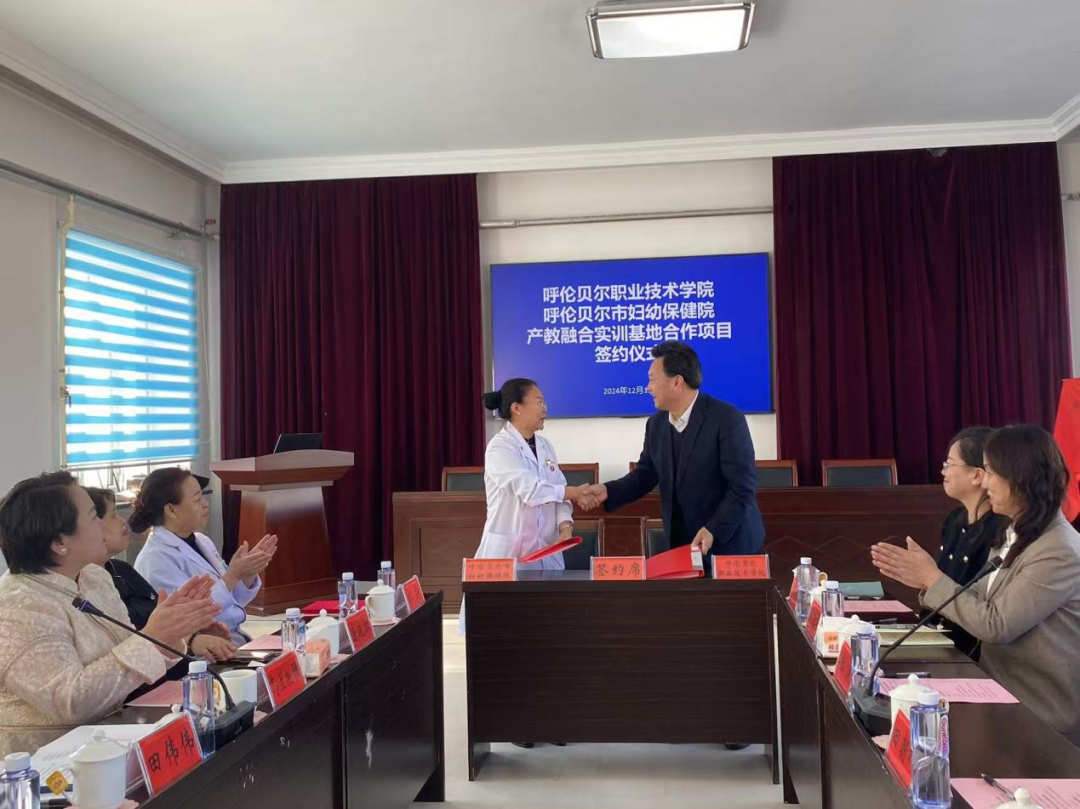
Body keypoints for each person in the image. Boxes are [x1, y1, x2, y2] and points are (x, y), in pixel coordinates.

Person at [872, 425, 1080, 743]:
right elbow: (978, 597)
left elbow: (996, 624)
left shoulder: (1059, 549)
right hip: (994, 688)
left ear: (1020, 478)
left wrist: (932, 578)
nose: (986, 482)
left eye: (992, 473)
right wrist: (925, 580)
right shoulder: (1015, 533)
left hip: (1039, 711)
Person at [0, 471, 220, 756]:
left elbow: (128, 658)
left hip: (110, 738)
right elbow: (72, 702)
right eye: (94, 517)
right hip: (46, 765)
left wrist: (169, 634)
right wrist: (151, 637)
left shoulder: (94, 577)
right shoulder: (18, 607)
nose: (105, 525)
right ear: (59, 543)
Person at [585, 341, 765, 564]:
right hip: (682, 545)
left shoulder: (726, 420)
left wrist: (714, 529)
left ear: (677, 382)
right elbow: (645, 474)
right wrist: (607, 490)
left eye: (652, 379)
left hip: (730, 547)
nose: (648, 388)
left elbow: (742, 488)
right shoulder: (656, 424)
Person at [86, 487, 236, 662]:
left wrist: (194, 633)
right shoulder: (153, 558)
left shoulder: (122, 570)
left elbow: (161, 623)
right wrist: (192, 641)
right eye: (113, 515)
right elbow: (132, 642)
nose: (122, 520)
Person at [132, 468, 278, 645]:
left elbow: (233, 601)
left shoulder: (202, 541)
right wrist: (233, 575)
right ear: (171, 510)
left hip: (234, 637)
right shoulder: (155, 560)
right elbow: (187, 617)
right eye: (197, 499)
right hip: (203, 649)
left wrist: (247, 574)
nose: (205, 504)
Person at [928, 427, 1009, 658]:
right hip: (940, 636)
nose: (943, 471)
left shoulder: (1002, 528)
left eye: (950, 464)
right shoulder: (955, 520)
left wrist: (928, 575)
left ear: (977, 476)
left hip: (972, 650)